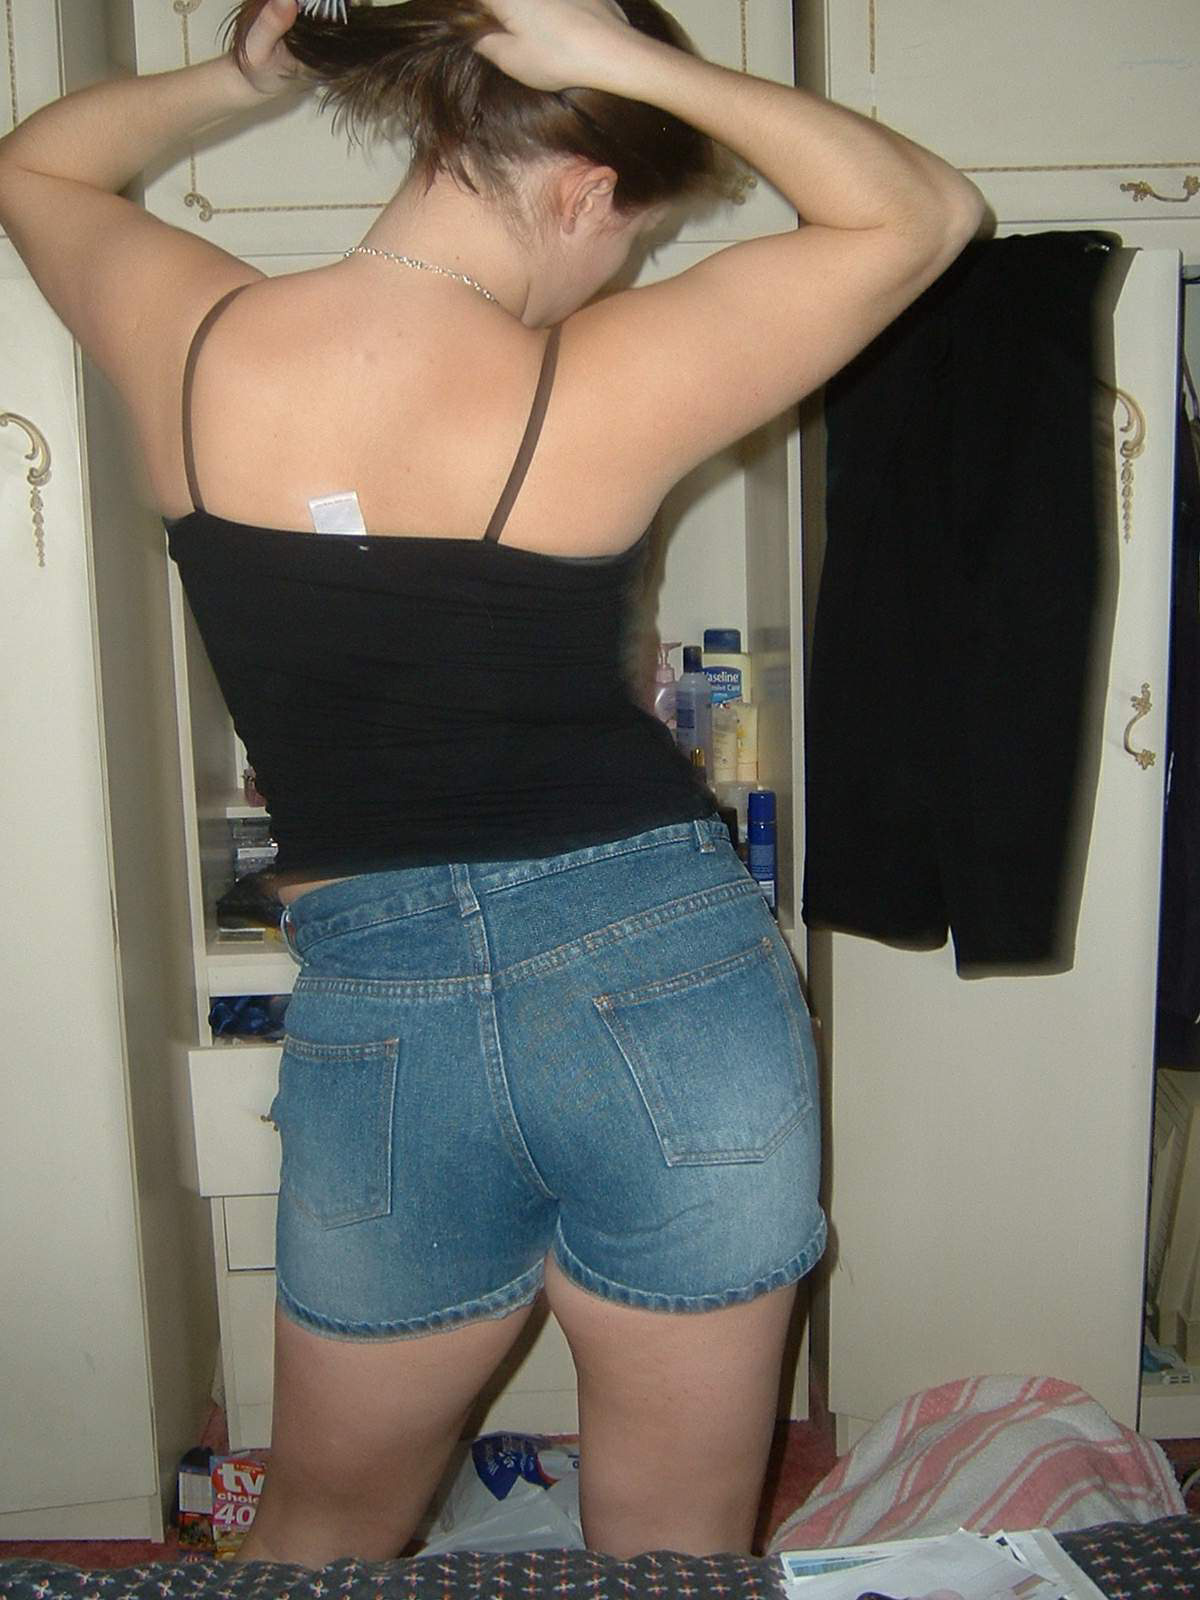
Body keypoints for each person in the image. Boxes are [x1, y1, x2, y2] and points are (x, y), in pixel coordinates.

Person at [0, 0, 983, 1567]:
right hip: (665, 978)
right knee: (673, 1542)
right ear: (587, 187)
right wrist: (628, 59)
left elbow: (37, 171)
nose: (623, 272)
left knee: (323, 1525)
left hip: (384, 1003)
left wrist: (240, 73)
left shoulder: (193, 340)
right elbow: (922, 212)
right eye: (635, 237)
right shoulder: (605, 379)